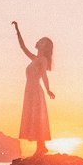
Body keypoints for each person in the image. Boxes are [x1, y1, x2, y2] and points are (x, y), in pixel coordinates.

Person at [12, 21, 55, 157]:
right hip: (29, 91)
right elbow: (22, 47)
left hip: (36, 91)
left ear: (46, 47)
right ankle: (41, 148)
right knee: (32, 118)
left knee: (37, 118)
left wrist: (48, 90)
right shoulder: (34, 58)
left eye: (43, 42)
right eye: (41, 40)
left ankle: (41, 148)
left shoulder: (42, 60)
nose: (40, 42)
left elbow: (44, 76)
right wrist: (18, 31)